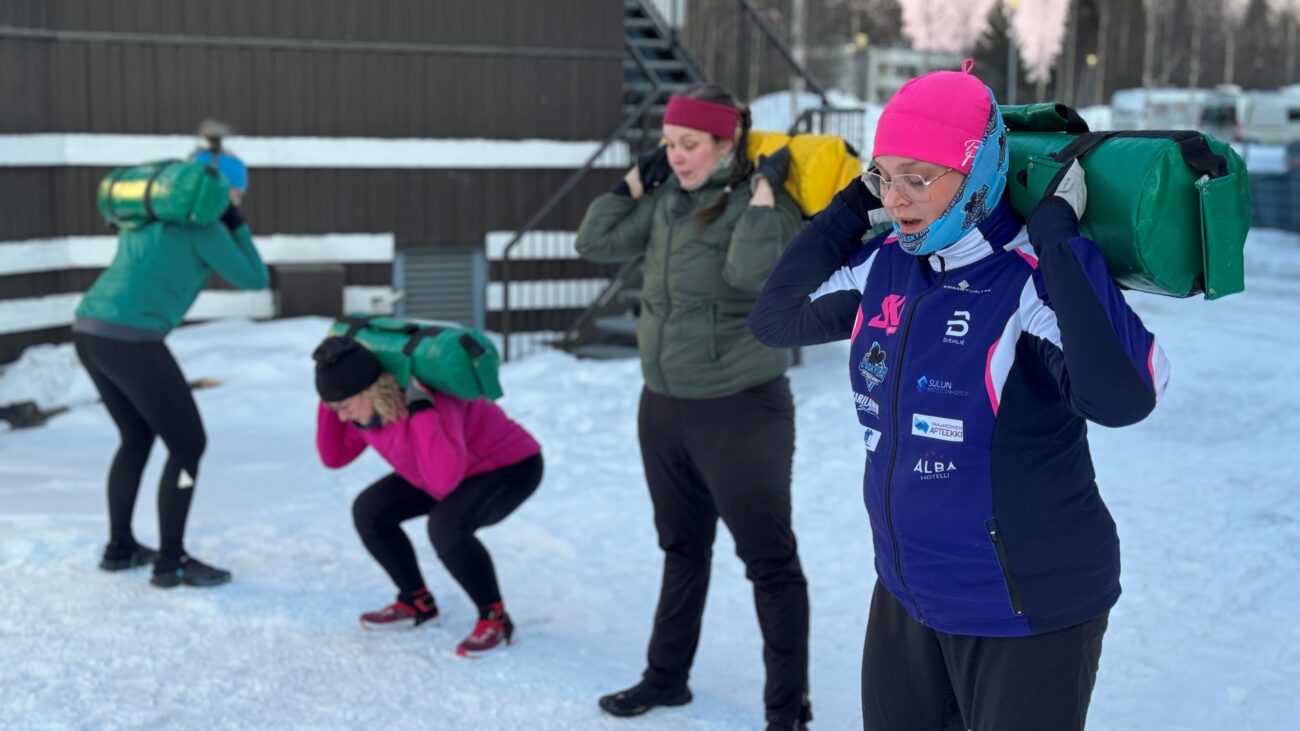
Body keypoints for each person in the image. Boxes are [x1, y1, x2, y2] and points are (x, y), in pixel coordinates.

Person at [748, 62, 1171, 731]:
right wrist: (852, 207)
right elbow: (775, 318)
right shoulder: (885, 263)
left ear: (977, 175)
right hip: (907, 594)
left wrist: (1060, 237)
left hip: (1027, 605)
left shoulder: (1030, 278)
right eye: (885, 175)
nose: (900, 197)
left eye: (920, 177)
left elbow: (1123, 396)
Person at [575, 85, 813, 730]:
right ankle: (666, 678)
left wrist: (764, 195)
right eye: (668, 146)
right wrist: (632, 183)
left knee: (768, 561)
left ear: (725, 142)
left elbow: (749, 275)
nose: (676, 158)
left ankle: (787, 710)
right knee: (682, 548)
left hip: (740, 407)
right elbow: (591, 243)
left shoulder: (764, 205)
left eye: (689, 145)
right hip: (664, 406)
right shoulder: (666, 204)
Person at [74, 150, 267, 588]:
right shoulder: (203, 228)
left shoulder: (142, 218)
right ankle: (171, 561)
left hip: (89, 331)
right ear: (226, 191)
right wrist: (235, 223)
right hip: (131, 338)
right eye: (237, 192)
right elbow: (255, 278)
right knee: (188, 443)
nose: (236, 199)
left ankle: (120, 548)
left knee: (136, 436)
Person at [312, 336, 542, 657]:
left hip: (508, 467)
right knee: (370, 511)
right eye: (334, 409)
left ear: (371, 390)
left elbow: (444, 481)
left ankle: (496, 618)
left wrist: (422, 409)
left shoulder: (430, 401)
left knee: (447, 525)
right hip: (440, 467)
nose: (341, 417)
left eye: (345, 406)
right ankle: (415, 600)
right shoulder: (366, 409)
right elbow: (334, 456)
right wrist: (330, 401)